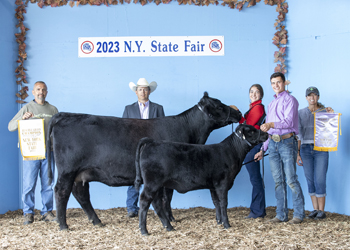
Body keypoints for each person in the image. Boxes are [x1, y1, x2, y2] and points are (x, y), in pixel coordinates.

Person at [255, 72, 305, 224]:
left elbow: (288, 122)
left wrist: (270, 124)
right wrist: (263, 149)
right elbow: (269, 132)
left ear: (284, 83)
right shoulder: (271, 104)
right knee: (278, 181)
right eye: (273, 83)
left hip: (287, 142)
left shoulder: (291, 100)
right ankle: (280, 215)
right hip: (274, 143)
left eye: (278, 82)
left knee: (291, 179)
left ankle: (298, 215)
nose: (276, 85)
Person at [8, 81, 58, 225]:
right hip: (31, 153)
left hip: (49, 151)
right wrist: (21, 119)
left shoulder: (53, 109)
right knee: (29, 184)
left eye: (43, 89)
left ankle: (47, 212)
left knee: (48, 184)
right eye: (38, 89)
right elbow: (11, 126)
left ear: (47, 92)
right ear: (33, 92)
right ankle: (28, 213)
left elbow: (59, 130)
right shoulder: (27, 108)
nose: (40, 92)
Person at [123, 78, 165, 218]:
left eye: (145, 89)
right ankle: (131, 208)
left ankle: (157, 207)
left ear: (149, 91)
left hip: (153, 147)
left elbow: (162, 130)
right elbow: (123, 129)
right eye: (140, 89)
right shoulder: (128, 109)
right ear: (136, 92)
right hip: (135, 147)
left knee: (155, 177)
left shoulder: (158, 108)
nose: (143, 92)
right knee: (134, 177)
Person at [297, 86, 333, 220]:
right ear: (306, 98)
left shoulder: (324, 111)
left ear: (318, 97)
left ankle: (321, 211)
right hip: (305, 148)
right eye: (309, 95)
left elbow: (331, 129)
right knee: (310, 178)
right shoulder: (300, 113)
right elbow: (299, 135)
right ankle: (315, 209)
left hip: (321, 148)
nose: (312, 98)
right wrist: (298, 153)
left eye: (314, 95)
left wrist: (331, 114)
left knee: (320, 178)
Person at [231, 84, 266, 218]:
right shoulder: (253, 108)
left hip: (253, 146)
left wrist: (238, 114)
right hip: (250, 145)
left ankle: (257, 211)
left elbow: (248, 126)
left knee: (255, 179)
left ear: (261, 95)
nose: (254, 94)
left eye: (257, 92)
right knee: (255, 178)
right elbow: (245, 123)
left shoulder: (258, 108)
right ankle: (258, 209)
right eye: (251, 92)